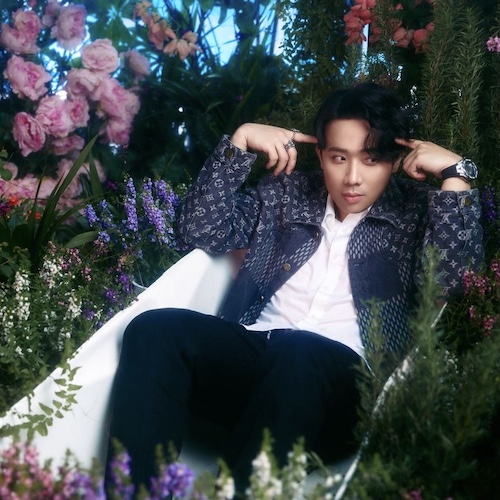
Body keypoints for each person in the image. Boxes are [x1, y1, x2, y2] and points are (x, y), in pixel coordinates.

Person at [105, 82, 483, 494]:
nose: (352, 178)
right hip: (257, 359)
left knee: (300, 350)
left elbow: (454, 285)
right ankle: (134, 491)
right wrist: (240, 141)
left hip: (344, 393)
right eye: (339, 158)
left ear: (393, 162)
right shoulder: (286, 194)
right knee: (154, 328)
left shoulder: (417, 211)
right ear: (320, 155)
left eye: (371, 160)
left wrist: (456, 176)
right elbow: (198, 230)